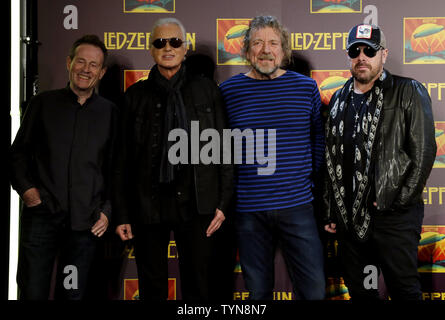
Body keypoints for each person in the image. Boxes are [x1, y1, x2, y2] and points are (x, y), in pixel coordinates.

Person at [113, 18, 233, 300]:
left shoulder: (207, 90)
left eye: (175, 42)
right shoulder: (134, 96)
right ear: (150, 48)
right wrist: (122, 212)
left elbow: (225, 148)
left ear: (185, 46)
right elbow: (121, 161)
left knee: (198, 286)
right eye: (160, 42)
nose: (168, 48)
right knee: (151, 284)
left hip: (197, 203)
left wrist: (224, 202)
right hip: (147, 204)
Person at [323, 24, 436, 300]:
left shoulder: (408, 91)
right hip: (350, 218)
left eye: (369, 51)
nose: (362, 56)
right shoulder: (339, 99)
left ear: (383, 54)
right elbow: (331, 158)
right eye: (355, 50)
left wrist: (397, 201)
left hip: (394, 216)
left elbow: (423, 152)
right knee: (361, 292)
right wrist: (331, 210)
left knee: (404, 290)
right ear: (348, 55)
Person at [219, 15, 326, 300]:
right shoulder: (228, 92)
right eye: (257, 42)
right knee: (258, 293)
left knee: (314, 291)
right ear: (246, 50)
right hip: (248, 210)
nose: (265, 49)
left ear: (283, 50)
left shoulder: (306, 88)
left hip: (298, 206)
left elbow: (318, 140)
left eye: (273, 43)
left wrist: (303, 179)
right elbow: (221, 149)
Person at [10, 34, 117, 300]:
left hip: (85, 225)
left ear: (102, 72)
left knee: (72, 295)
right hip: (41, 219)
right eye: (80, 61)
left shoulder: (110, 113)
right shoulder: (42, 104)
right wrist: (28, 193)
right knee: (32, 291)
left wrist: (106, 211)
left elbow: (115, 168)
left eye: (94, 65)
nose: (86, 69)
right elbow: (17, 155)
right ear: (69, 62)